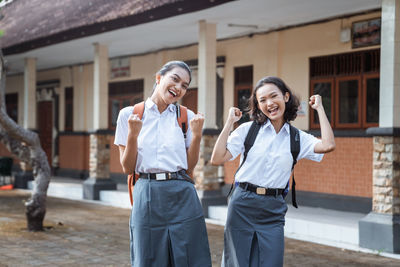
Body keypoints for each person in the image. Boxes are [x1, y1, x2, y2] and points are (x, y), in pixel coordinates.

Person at [211, 76, 335, 267]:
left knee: (271, 262)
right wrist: (229, 123)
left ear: (285, 97)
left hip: (273, 208)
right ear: (258, 106)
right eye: (262, 100)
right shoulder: (248, 130)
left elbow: (328, 145)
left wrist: (319, 109)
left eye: (273, 96)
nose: (269, 103)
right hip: (242, 203)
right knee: (237, 262)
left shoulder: (297, 138)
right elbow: (217, 158)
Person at [114, 61, 212, 267]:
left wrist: (196, 136)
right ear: (159, 78)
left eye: (184, 85)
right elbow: (127, 168)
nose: (178, 87)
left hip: (182, 192)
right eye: (175, 79)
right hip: (147, 191)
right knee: (148, 257)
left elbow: (189, 166)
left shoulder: (186, 117)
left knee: (190, 257)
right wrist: (132, 135)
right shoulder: (129, 115)